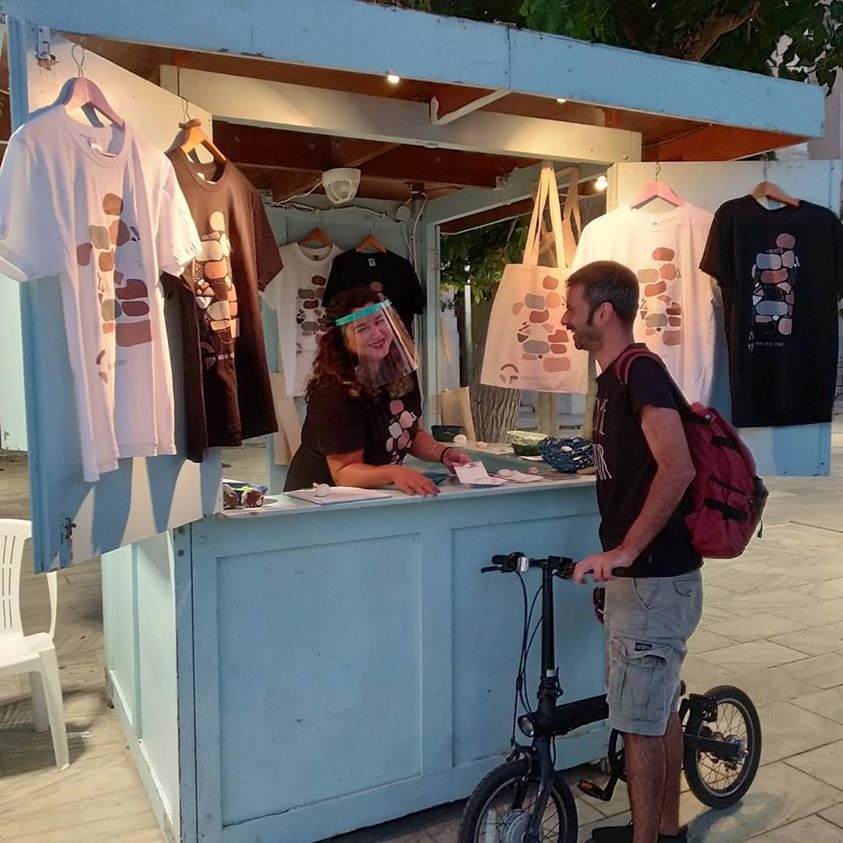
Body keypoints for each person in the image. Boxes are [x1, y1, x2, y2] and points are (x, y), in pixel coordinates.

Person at [561, 261, 703, 843]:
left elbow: (678, 467)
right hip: (644, 581)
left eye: (572, 309)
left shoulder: (638, 372)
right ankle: (663, 831)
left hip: (653, 578)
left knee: (641, 724)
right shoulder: (613, 378)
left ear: (603, 313)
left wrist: (624, 551)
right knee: (656, 711)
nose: (565, 320)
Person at [284, 287, 469, 495]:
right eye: (362, 328)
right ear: (342, 340)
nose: (377, 333)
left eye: (380, 321)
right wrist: (394, 473)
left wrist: (444, 453)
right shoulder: (334, 394)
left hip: (372, 497)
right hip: (320, 500)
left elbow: (411, 433)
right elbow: (344, 473)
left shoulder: (401, 374)